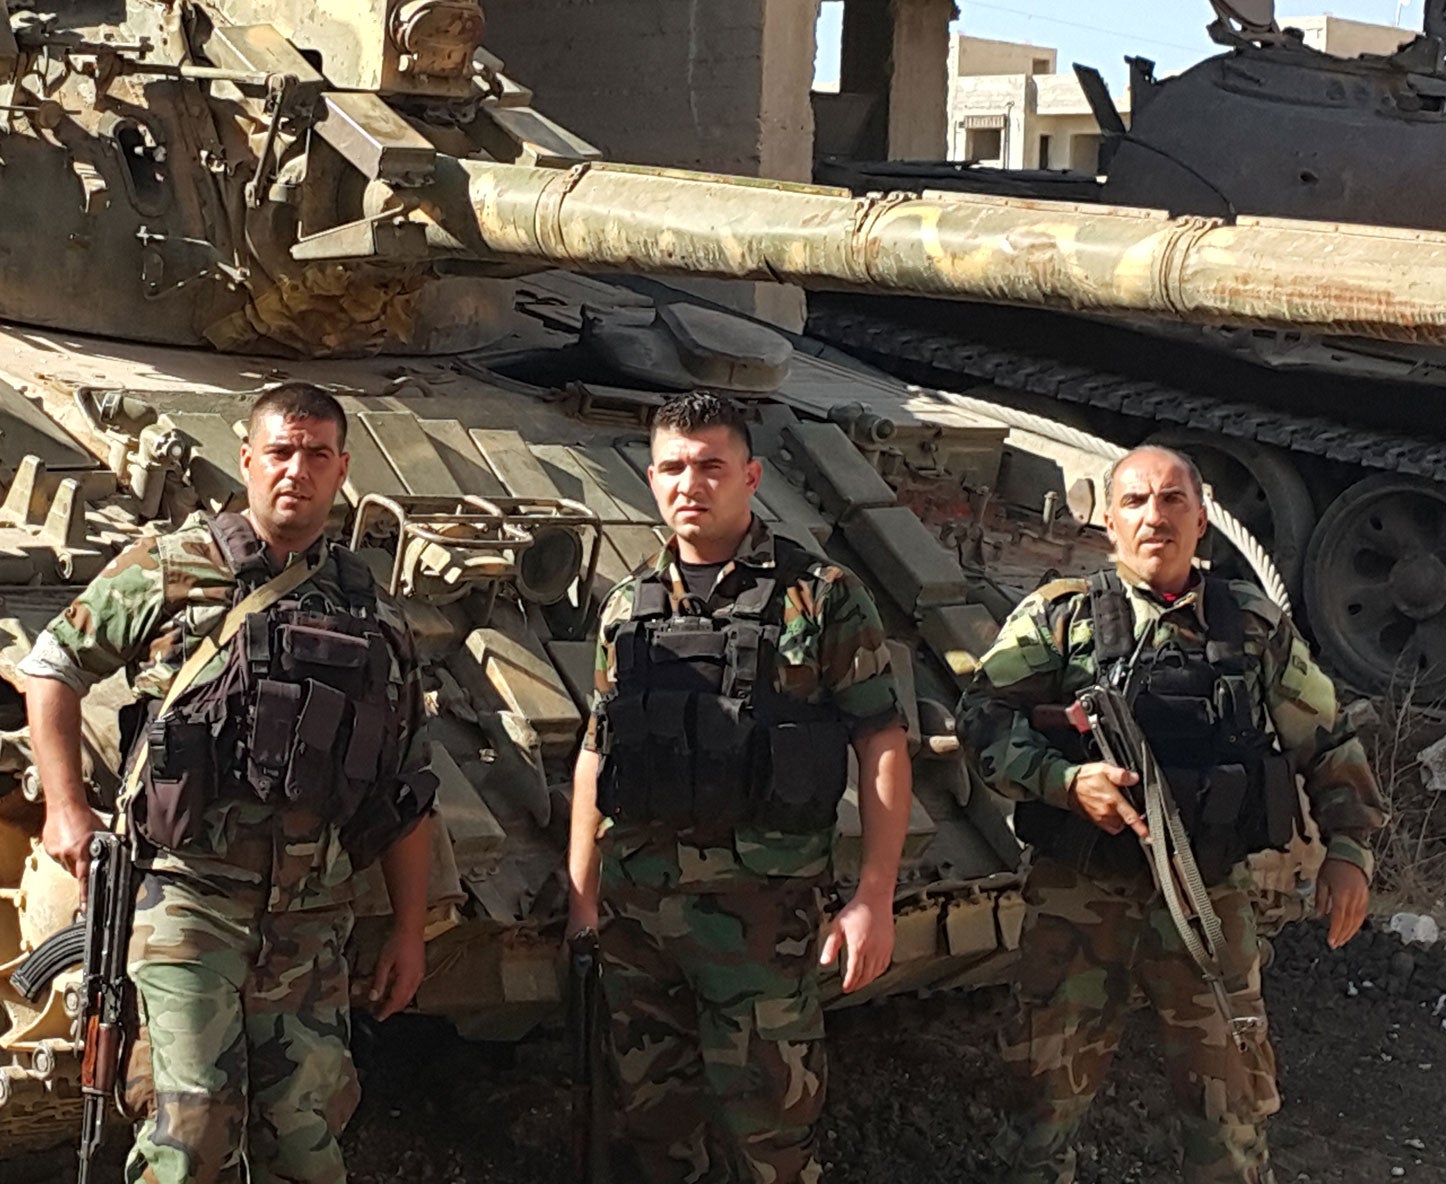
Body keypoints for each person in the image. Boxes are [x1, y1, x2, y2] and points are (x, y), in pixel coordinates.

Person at [19, 382, 436, 1184]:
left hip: (310, 916)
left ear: (343, 469)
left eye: (317, 455)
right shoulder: (175, 567)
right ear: (247, 459)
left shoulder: (372, 613)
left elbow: (402, 789)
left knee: (304, 1138)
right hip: (185, 899)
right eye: (280, 451)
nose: (296, 471)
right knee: (194, 1125)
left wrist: (410, 932)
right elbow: (53, 663)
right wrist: (65, 806)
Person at [958, 444, 1388, 1184]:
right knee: (1039, 1101)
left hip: (1210, 900)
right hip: (1080, 898)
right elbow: (982, 720)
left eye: (1170, 501)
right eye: (1134, 502)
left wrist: (1350, 850)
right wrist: (1064, 780)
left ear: (1201, 515)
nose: (1153, 517)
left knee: (1231, 1109)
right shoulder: (1061, 618)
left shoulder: (1251, 628)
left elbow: (1327, 736)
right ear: (1108, 521)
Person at [566, 391, 913, 1184]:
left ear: (751, 476)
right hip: (639, 916)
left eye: (711, 466)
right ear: (651, 480)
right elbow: (597, 749)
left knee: (771, 1138)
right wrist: (583, 897)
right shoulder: (628, 605)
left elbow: (881, 740)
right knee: (652, 1128)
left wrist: (875, 895)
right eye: (673, 468)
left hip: (763, 922)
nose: (692, 484)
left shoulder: (820, 596)